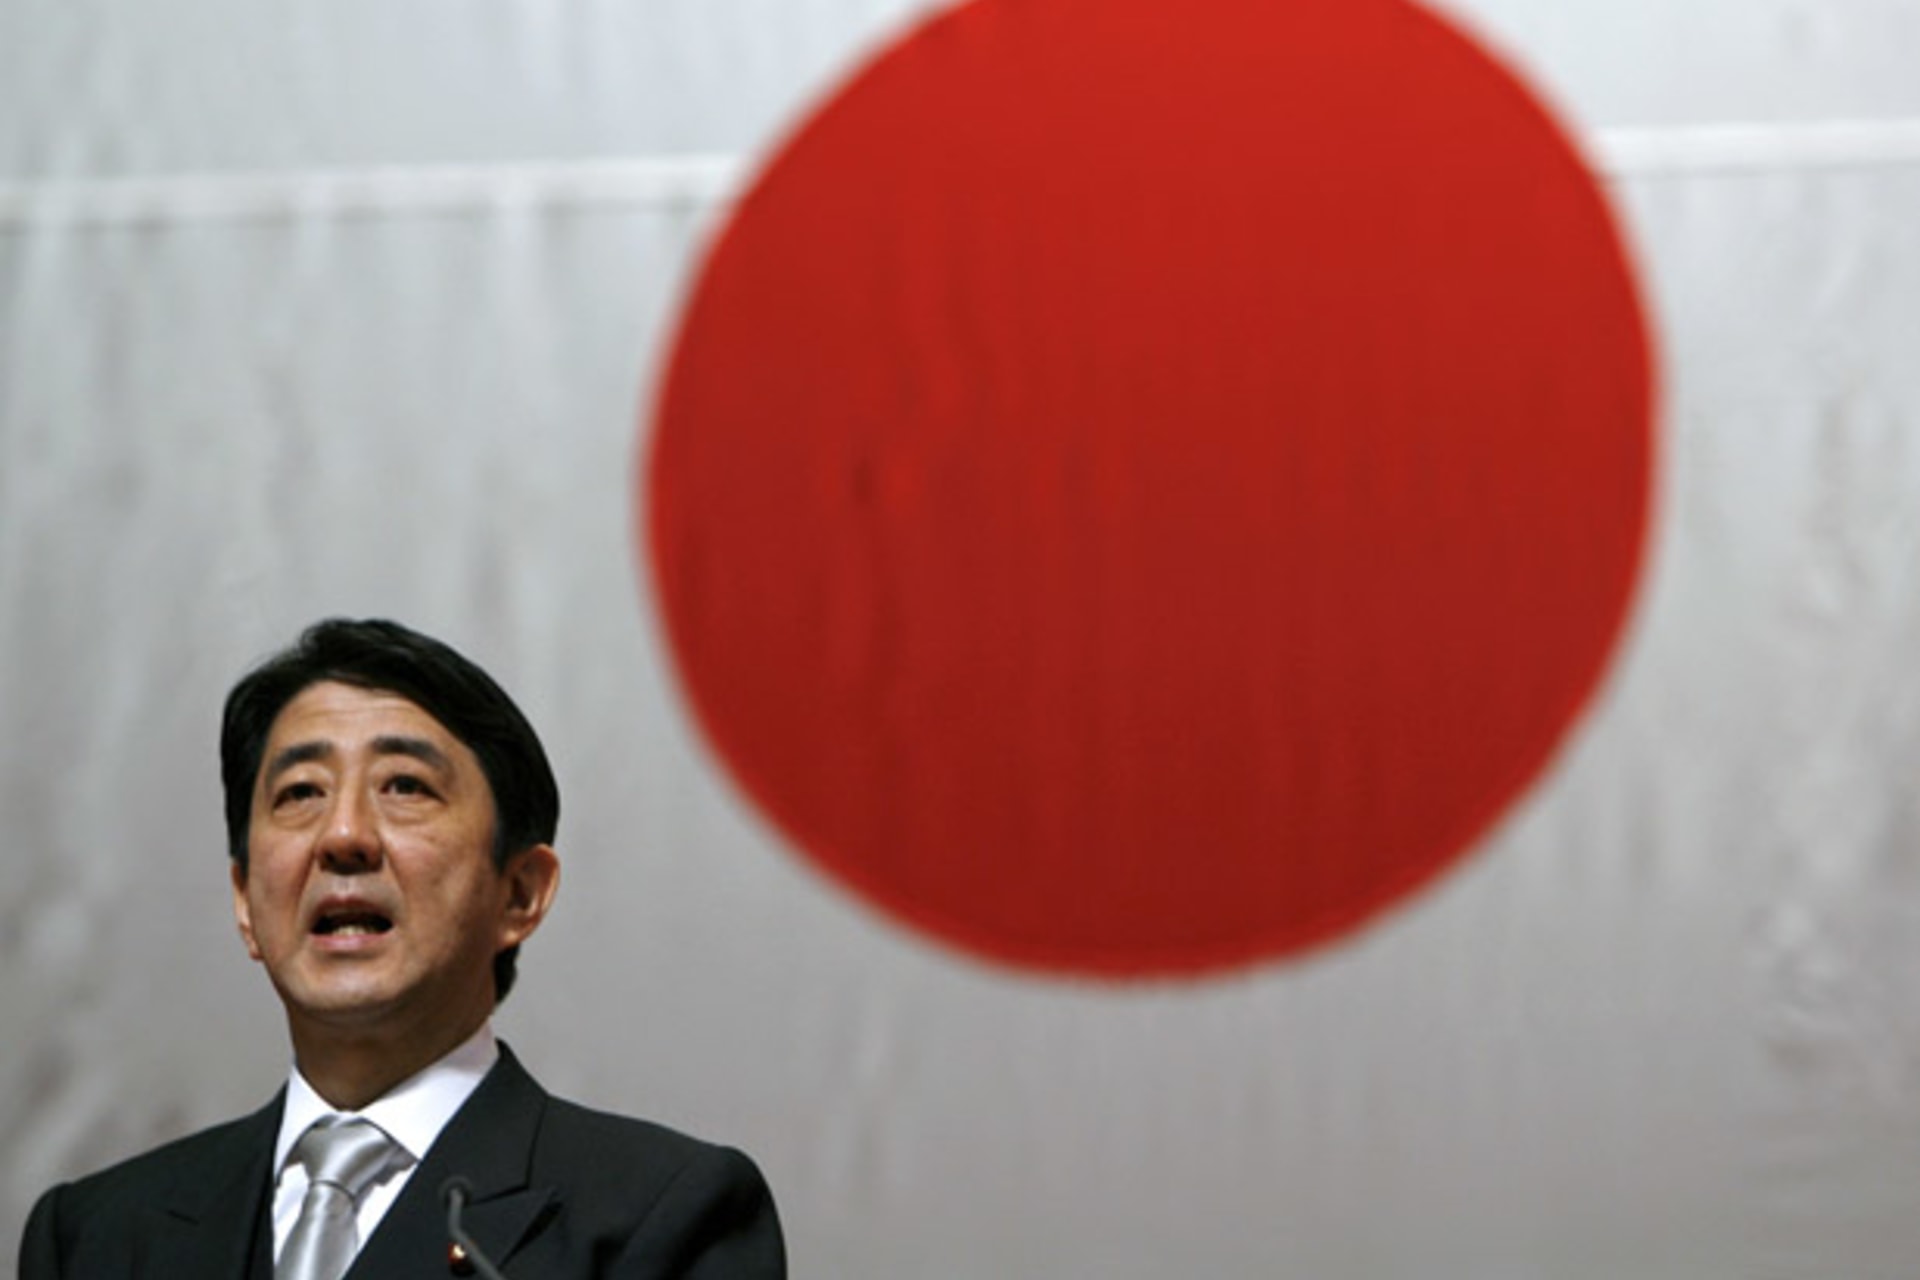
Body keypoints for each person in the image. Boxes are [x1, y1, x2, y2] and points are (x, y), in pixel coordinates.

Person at [18, 618, 785, 1279]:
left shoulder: (661, 1217)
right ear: (246, 902)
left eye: (406, 787)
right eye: (300, 793)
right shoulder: (98, 1236)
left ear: (519, 893)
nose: (343, 836)